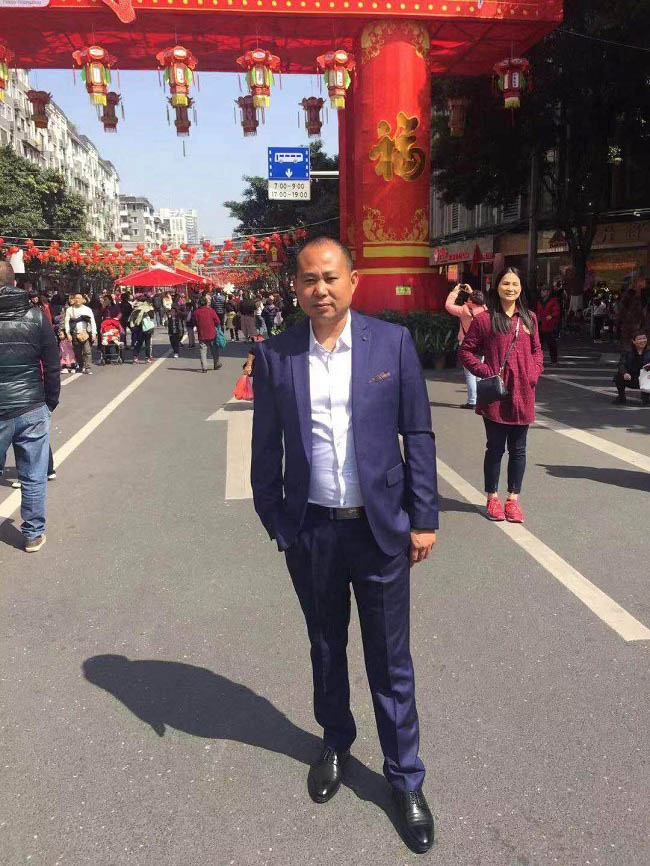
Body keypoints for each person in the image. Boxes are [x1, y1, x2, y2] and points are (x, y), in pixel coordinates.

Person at [251, 237, 438, 854]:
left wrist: (423, 518)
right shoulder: (277, 354)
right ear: (296, 288)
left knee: (390, 659)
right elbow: (265, 447)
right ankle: (335, 741)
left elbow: (417, 433)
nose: (320, 289)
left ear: (353, 282)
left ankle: (405, 778)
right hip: (313, 532)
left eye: (331, 277)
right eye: (309, 280)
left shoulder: (392, 344)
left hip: (379, 530)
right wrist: (278, 522)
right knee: (327, 646)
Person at [458, 266, 544, 524]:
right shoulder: (485, 319)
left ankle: (513, 499)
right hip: (496, 395)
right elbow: (466, 351)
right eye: (506, 283)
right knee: (495, 448)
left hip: (523, 394)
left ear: (521, 287)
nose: (511, 288)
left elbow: (537, 350)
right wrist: (486, 371)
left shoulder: (529, 318)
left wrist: (533, 373)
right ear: (497, 286)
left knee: (519, 450)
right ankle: (492, 497)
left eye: (515, 284)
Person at [0, 261, 60, 552]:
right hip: (31, 405)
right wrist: (50, 401)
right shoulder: (36, 315)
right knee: (33, 475)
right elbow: (52, 363)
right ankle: (33, 534)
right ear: (14, 282)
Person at [445, 283, 487, 408]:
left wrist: (455, 291)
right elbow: (481, 303)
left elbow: (448, 305)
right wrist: (472, 292)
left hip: (467, 345)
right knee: (479, 372)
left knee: (470, 374)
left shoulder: (464, 311)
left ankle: (472, 401)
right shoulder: (484, 310)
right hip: (481, 346)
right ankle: (481, 400)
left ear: (470, 300)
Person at [613, 331, 650, 406]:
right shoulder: (627, 351)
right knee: (618, 376)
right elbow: (621, 364)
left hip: (645, 378)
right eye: (639, 339)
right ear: (633, 341)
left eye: (644, 338)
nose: (643, 341)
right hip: (631, 377)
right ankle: (621, 397)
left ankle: (646, 398)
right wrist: (625, 373)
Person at [64, 292, 97, 374]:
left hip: (85, 333)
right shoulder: (69, 310)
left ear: (83, 300)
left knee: (87, 351)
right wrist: (68, 333)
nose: (77, 300)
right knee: (77, 352)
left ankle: (88, 367)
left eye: (79, 298)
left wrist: (94, 333)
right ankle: (81, 366)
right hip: (74, 333)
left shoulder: (87, 309)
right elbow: (66, 322)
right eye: (76, 298)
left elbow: (92, 321)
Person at [193, 295, 222, 373]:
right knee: (214, 349)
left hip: (202, 334)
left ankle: (204, 367)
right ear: (206, 303)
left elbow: (195, 322)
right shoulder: (211, 311)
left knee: (203, 351)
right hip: (212, 333)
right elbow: (218, 321)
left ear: (199, 303)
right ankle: (216, 364)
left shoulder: (196, 312)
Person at [535, 284, 562, 366]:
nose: (542, 292)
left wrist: (551, 315)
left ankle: (554, 360)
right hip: (541, 325)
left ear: (548, 292)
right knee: (539, 345)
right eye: (541, 291)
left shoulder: (553, 301)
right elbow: (538, 312)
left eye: (544, 291)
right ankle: (538, 361)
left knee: (551, 344)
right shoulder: (539, 301)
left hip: (550, 326)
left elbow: (557, 311)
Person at [130, 297, 155, 364]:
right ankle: (147, 358)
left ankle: (135, 358)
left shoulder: (136, 307)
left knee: (139, 342)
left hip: (138, 327)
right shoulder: (148, 307)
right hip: (146, 328)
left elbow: (132, 317)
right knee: (147, 343)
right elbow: (152, 316)